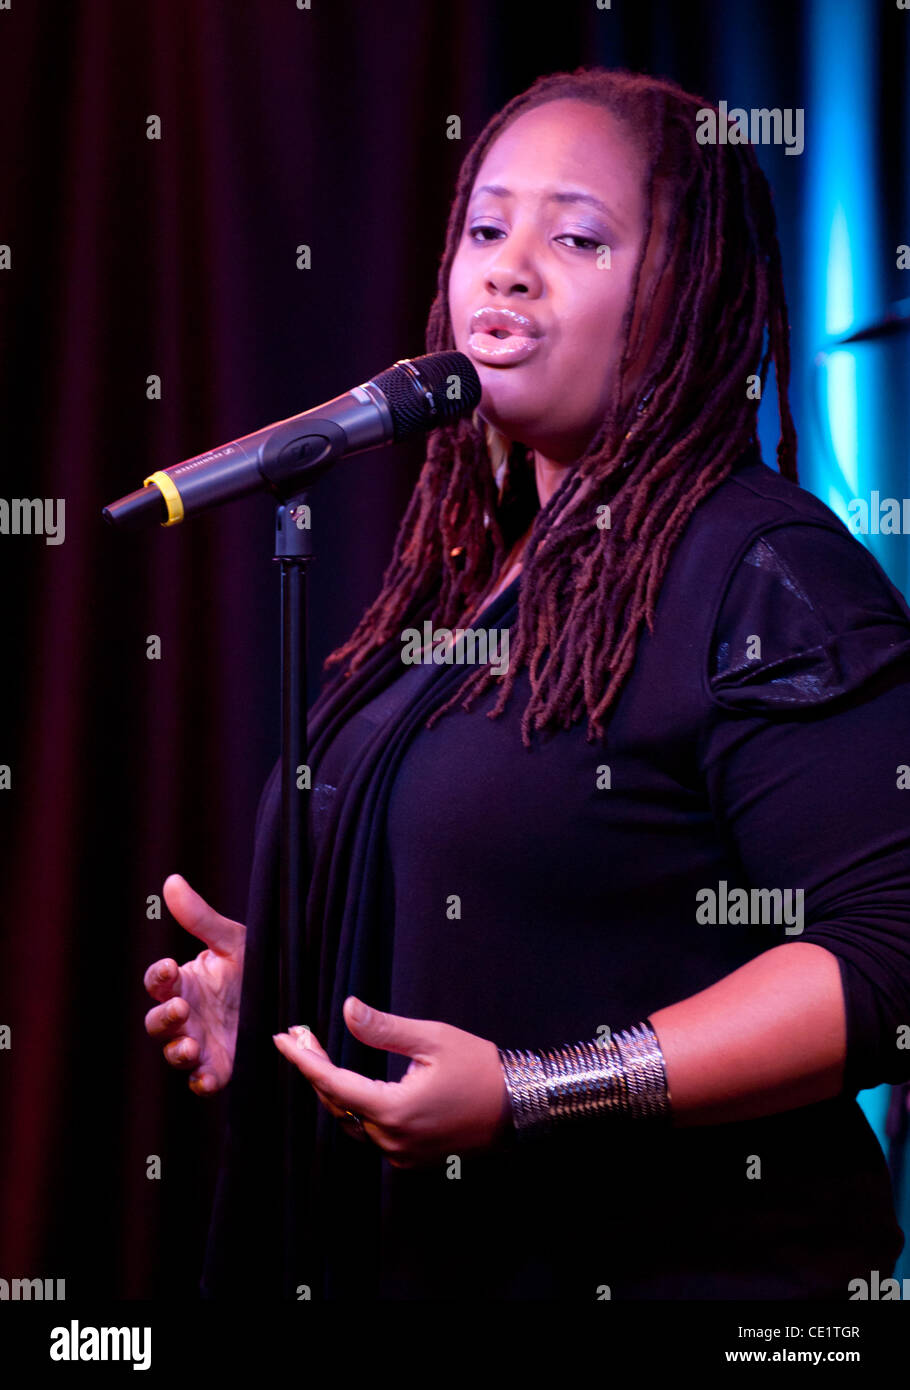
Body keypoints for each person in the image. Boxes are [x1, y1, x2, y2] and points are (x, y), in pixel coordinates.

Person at [144, 66, 910, 1299]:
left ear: (686, 290)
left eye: (578, 238)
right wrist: (299, 996)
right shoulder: (471, 577)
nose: (507, 272)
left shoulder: (766, 572)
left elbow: (888, 951)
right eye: (487, 229)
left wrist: (532, 1093)